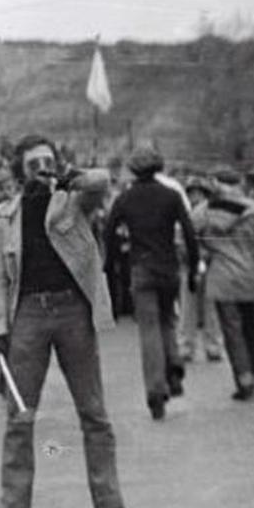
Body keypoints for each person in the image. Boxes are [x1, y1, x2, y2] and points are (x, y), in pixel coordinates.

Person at [0, 134, 129, 508]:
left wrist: (68, 175)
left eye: (47, 161)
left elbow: (101, 181)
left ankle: (110, 500)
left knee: (93, 411)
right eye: (33, 164)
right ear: (19, 170)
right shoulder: (2, 216)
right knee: (19, 414)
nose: (41, 169)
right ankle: (13, 506)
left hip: (73, 312)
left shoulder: (73, 201)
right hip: (27, 313)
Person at [103, 147, 199, 420]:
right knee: (168, 319)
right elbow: (190, 234)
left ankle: (156, 391)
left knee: (149, 328)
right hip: (168, 268)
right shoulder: (171, 196)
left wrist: (109, 269)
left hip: (141, 268)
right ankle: (174, 366)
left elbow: (109, 233)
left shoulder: (125, 198)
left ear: (133, 169)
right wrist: (192, 268)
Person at [194, 167, 254, 400]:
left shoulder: (204, 211)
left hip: (222, 278)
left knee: (232, 332)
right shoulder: (253, 210)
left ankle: (243, 379)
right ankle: (251, 373)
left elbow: (189, 239)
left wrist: (206, 253)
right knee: (250, 329)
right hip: (250, 277)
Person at [179, 176, 223, 362]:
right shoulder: (213, 211)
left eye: (197, 192)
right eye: (192, 192)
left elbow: (184, 241)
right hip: (209, 262)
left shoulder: (194, 213)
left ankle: (187, 347)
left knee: (189, 307)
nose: (194, 195)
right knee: (209, 308)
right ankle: (212, 347)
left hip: (193, 263)